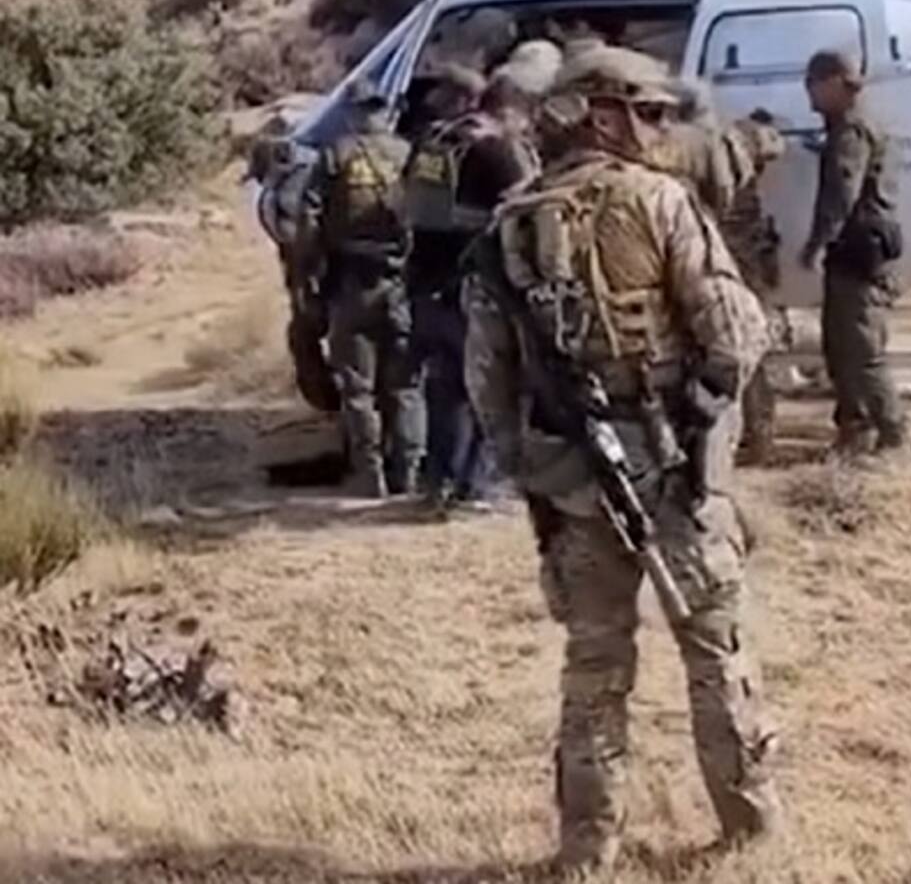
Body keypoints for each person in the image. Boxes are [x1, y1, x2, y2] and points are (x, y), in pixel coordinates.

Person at [463, 45, 782, 870]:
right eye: (648, 112)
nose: (660, 129)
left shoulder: (508, 227)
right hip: (676, 477)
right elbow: (738, 333)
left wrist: (531, 478)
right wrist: (708, 413)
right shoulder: (660, 202)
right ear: (600, 115)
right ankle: (750, 832)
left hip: (572, 485)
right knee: (715, 652)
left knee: (594, 670)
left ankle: (586, 850)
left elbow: (488, 384)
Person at [406, 67, 541, 506]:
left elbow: (403, 205)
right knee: (490, 384)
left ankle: (437, 481)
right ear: (510, 110)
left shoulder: (432, 143)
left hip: (425, 281)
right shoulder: (497, 151)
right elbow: (526, 214)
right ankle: (478, 487)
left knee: (443, 388)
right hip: (474, 286)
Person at [300, 79, 425, 498]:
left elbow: (308, 223)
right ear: (383, 111)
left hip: (350, 283)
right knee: (406, 385)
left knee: (358, 387)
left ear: (351, 112)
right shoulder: (408, 153)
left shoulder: (334, 155)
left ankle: (370, 475)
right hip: (403, 281)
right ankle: (407, 471)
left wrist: (309, 275)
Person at [798, 50, 907, 455]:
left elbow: (842, 194)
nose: (808, 95)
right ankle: (854, 433)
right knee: (841, 348)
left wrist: (817, 242)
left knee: (861, 352)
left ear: (833, 84)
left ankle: (894, 436)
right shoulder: (852, 126)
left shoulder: (851, 131)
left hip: (858, 252)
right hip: (858, 251)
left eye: (812, 84)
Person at [720, 111, 787, 464]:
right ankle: (758, 435)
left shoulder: (734, 195)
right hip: (750, 275)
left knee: (747, 357)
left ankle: (758, 437)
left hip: (742, 278)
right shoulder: (746, 193)